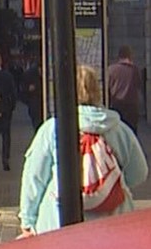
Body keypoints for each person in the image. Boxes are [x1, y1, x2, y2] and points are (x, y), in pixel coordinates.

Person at [18, 65, 148, 237]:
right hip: (113, 227)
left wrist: (28, 221)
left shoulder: (52, 129)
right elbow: (139, 174)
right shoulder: (119, 129)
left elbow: (34, 179)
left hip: (58, 227)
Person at [0, 53, 18, 171]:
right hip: (6, 109)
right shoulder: (7, 76)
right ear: (0, 62)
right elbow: (13, 93)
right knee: (6, 135)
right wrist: (12, 107)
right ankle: (5, 159)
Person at [107, 45, 142, 136]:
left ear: (119, 56)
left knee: (117, 134)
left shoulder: (111, 69)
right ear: (130, 56)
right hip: (132, 107)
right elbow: (139, 85)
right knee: (131, 133)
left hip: (116, 106)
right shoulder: (135, 70)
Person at [19, 56, 44, 132]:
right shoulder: (29, 75)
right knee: (37, 124)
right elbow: (22, 90)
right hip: (35, 104)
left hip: (36, 103)